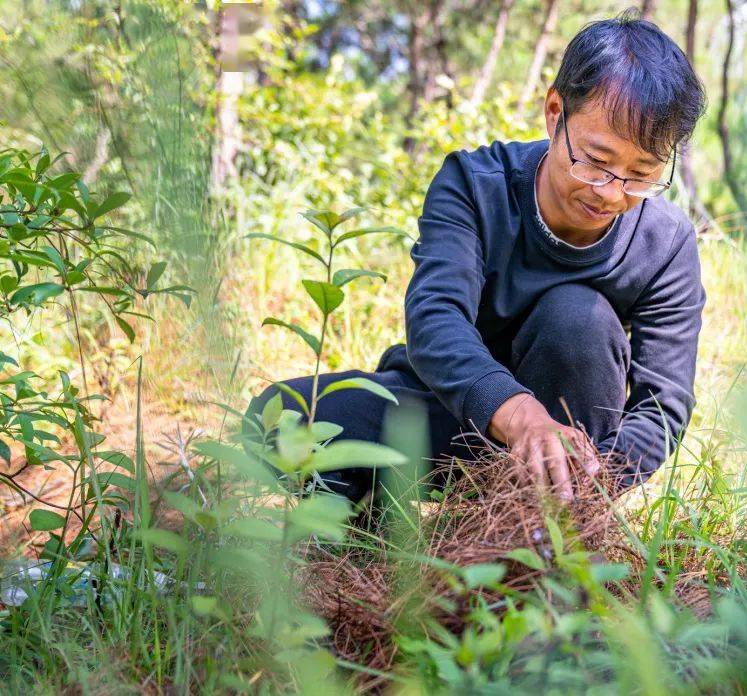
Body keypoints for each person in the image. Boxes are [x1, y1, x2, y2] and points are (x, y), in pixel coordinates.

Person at [244, 10, 708, 507]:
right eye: (596, 162)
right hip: (454, 415)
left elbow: (661, 405)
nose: (612, 193)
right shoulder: (473, 183)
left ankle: (551, 531)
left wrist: (596, 482)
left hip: (568, 456)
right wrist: (520, 416)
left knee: (578, 317)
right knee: (277, 418)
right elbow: (436, 319)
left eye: (641, 174)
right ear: (555, 114)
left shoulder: (667, 241)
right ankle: (372, 521)